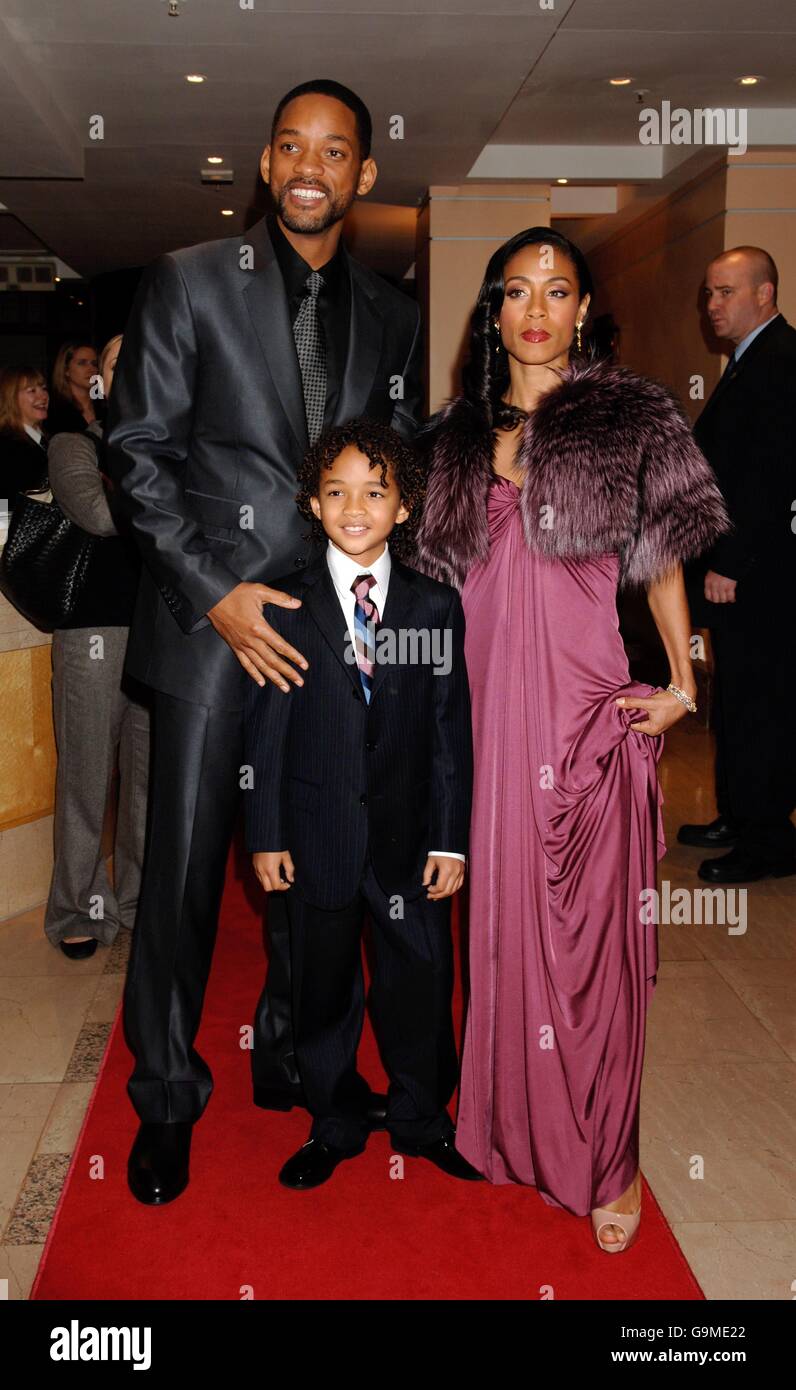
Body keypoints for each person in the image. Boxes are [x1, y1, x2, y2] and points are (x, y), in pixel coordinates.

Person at [105, 79, 423, 1206]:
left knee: (314, 874)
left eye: (333, 151)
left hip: (333, 648)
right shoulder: (191, 280)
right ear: (265, 159)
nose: (308, 165)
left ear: (361, 176)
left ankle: (294, 1059)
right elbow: (135, 453)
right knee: (185, 877)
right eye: (290, 144)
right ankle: (165, 1098)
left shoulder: (394, 312)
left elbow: (394, 474)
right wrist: (217, 593)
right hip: (208, 636)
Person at [413, 227, 729, 1252]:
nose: (537, 308)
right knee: (503, 941)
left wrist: (684, 682)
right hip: (491, 726)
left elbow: (668, 560)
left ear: (585, 309)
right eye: (516, 290)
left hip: (589, 721)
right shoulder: (453, 438)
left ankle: (610, 1160)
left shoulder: (630, 416)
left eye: (557, 289)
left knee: (593, 954)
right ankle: (507, 1126)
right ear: (493, 313)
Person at [244, 420, 479, 1189]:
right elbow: (268, 730)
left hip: (410, 841)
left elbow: (449, 731)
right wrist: (267, 831)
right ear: (312, 502)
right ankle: (335, 1119)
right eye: (336, 491)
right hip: (318, 834)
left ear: (404, 506)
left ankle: (420, 1116)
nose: (355, 507)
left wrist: (451, 840)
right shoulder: (286, 603)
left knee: (419, 978)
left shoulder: (435, 607)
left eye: (374, 492)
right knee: (323, 984)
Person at [679, 247, 796, 882]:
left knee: (760, 705)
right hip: (744, 572)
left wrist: (730, 562)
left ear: (764, 293)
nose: (712, 305)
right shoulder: (749, 360)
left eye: (724, 292)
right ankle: (739, 813)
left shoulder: (781, 361)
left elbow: (770, 479)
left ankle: (769, 839)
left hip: (759, 577)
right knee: (734, 702)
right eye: (708, 293)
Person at [44, 335, 150, 960]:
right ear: (100, 384)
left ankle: (135, 901)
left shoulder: (176, 445)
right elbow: (99, 514)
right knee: (86, 777)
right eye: (115, 363)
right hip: (93, 633)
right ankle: (76, 908)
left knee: (148, 784)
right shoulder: (73, 445)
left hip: (161, 632)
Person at [0, 365, 49, 509]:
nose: (43, 396)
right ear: (11, 397)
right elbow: (2, 500)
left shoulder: (47, 439)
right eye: (32, 390)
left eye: (44, 388)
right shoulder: (5, 445)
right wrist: (2, 530)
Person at [47, 342, 103, 436]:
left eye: (94, 364)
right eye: (82, 363)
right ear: (66, 370)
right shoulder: (54, 410)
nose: (91, 369)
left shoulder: (105, 406)